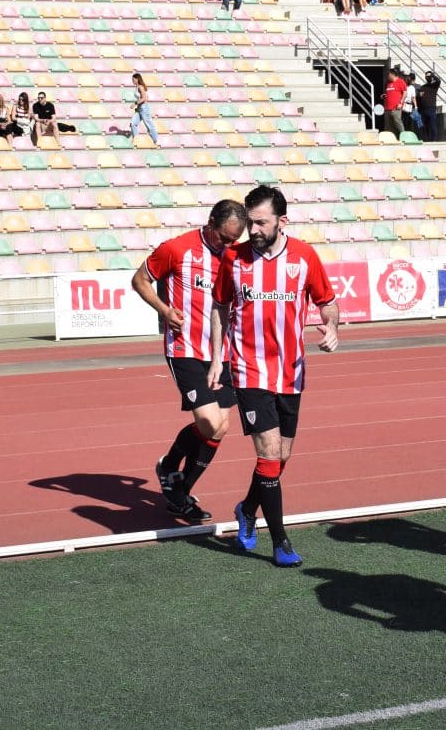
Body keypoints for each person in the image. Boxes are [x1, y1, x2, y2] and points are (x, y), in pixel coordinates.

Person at [209, 186, 339, 568]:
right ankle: (280, 542)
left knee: (279, 459)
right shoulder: (233, 257)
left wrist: (333, 328)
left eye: (261, 222)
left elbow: (327, 303)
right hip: (249, 370)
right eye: (250, 222)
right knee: (267, 456)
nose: (254, 229)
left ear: (282, 221)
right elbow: (220, 306)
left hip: (291, 372)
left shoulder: (304, 256)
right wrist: (217, 358)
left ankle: (247, 510)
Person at [133, 200, 249, 522]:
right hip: (183, 348)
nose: (228, 245)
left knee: (220, 427)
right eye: (224, 238)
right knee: (211, 423)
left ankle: (180, 490)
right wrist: (165, 310)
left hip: (220, 353)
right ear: (211, 222)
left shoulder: (236, 257)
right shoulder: (177, 249)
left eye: (233, 240)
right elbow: (139, 281)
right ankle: (169, 466)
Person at [128, 72, 159, 146]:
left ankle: (155, 141)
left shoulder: (140, 87)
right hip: (140, 109)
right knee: (133, 123)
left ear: (137, 79)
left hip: (144, 108)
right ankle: (136, 140)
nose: (132, 81)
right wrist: (137, 107)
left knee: (149, 125)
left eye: (133, 79)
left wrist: (135, 104)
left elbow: (144, 98)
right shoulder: (137, 87)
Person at [381, 67, 407, 138]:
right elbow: (390, 93)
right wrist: (384, 95)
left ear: (393, 74)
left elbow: (405, 93)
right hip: (388, 108)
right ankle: (393, 139)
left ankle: (404, 137)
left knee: (398, 123)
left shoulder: (400, 81)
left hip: (396, 108)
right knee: (390, 126)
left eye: (389, 74)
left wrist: (401, 103)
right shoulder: (388, 83)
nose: (388, 75)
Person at [416, 71, 442, 141]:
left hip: (431, 108)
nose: (428, 78)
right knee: (425, 125)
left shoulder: (434, 85)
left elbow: (438, 81)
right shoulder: (423, 87)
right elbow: (418, 98)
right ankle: (426, 139)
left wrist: (432, 75)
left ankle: (434, 139)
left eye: (429, 76)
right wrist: (419, 95)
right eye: (427, 76)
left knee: (433, 124)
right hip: (423, 109)